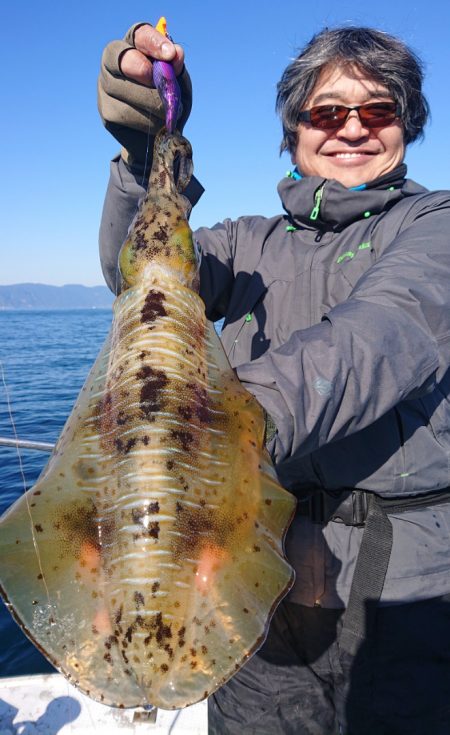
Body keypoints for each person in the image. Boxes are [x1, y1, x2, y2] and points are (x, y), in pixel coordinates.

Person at [97, 23, 450, 735]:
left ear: (405, 127)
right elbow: (146, 277)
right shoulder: (244, 241)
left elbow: (383, 335)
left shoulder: (434, 224)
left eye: (378, 110)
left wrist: (212, 421)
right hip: (254, 583)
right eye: (327, 112)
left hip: (405, 601)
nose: (353, 128)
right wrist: (147, 158)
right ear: (294, 131)